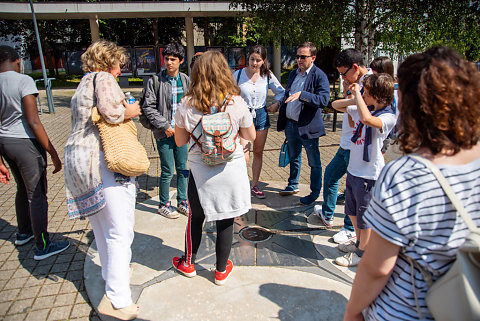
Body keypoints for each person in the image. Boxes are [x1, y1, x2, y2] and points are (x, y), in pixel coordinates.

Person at [344, 46, 480, 321]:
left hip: (405, 310)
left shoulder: (405, 174)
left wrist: (352, 313)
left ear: (410, 100)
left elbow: (377, 268)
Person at [64, 40, 140, 320]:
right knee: (120, 231)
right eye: (119, 64)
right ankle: (119, 299)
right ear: (110, 62)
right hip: (103, 161)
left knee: (102, 227)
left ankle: (112, 274)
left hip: (79, 160)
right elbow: (112, 113)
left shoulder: (85, 81)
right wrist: (132, 110)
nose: (120, 71)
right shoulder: (104, 78)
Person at [171, 51, 255, 285]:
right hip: (230, 168)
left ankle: (188, 263)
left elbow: (179, 141)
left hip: (199, 172)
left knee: (195, 217)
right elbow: (250, 135)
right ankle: (220, 271)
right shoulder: (236, 102)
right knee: (226, 218)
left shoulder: (187, 104)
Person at [0, 45, 69, 260]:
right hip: (26, 144)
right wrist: (52, 152)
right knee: (37, 195)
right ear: (18, 61)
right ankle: (43, 245)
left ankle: (24, 232)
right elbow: (33, 121)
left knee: (23, 189)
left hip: (5, 143)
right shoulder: (24, 81)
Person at [331, 73, 396, 267]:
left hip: (369, 174)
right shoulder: (364, 107)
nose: (364, 96)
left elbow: (367, 120)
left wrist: (358, 95)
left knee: (365, 216)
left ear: (379, 96)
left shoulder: (388, 116)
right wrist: (353, 96)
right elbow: (336, 106)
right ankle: (359, 243)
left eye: (367, 93)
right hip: (355, 170)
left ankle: (362, 254)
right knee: (352, 211)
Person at [315, 49, 372, 245]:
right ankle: (327, 214)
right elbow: (339, 105)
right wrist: (352, 96)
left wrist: (353, 98)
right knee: (331, 175)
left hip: (357, 146)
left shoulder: (371, 84)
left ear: (355, 67)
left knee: (352, 188)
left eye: (344, 73)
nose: (343, 78)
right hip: (346, 143)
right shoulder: (358, 84)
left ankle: (349, 229)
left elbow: (363, 111)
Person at [275, 42, 330, 205]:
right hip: (291, 124)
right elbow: (288, 94)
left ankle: (314, 193)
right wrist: (278, 105)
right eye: (297, 56)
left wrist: (303, 95)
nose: (299, 59)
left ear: (312, 58)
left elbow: (324, 100)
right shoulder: (293, 74)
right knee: (294, 156)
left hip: (308, 126)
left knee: (314, 162)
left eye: (303, 57)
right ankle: (293, 184)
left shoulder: (319, 75)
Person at [142, 43, 190, 219]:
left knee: (183, 168)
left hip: (182, 133)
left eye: (173, 59)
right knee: (168, 169)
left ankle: (183, 201)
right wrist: (165, 126)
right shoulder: (155, 81)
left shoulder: (185, 80)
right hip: (164, 133)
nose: (169, 62)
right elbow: (148, 107)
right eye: (166, 59)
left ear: (181, 61)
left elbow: (191, 105)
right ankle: (163, 204)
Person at [233, 45, 285, 199]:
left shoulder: (267, 75)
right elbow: (226, 92)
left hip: (261, 114)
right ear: (247, 58)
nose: (254, 63)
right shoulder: (238, 74)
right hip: (243, 115)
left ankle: (254, 185)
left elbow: (281, 92)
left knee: (258, 152)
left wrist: (277, 103)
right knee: (243, 153)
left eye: (258, 60)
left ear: (263, 61)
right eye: (252, 59)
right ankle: (241, 185)